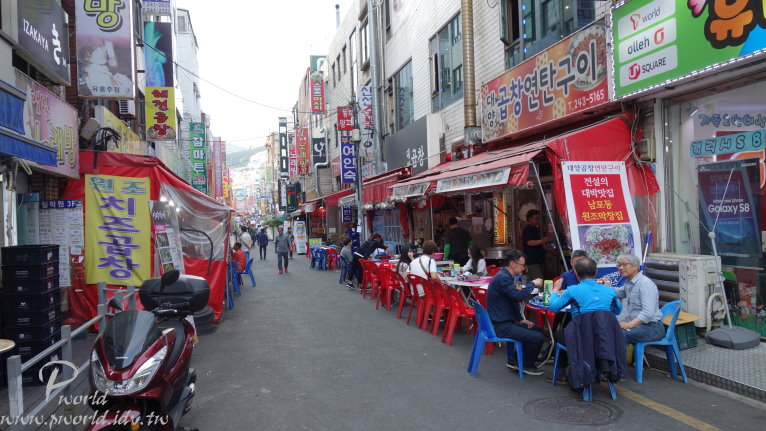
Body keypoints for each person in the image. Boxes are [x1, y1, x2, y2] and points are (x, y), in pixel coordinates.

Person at [547, 258, 622, 384]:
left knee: (560, 334)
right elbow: (618, 310)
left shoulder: (573, 290)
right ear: (596, 272)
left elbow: (554, 307)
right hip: (605, 338)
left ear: (576, 272)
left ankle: (561, 374)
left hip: (581, 337)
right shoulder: (608, 290)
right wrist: (609, 289)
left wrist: (555, 290)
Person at [486, 249, 545, 376]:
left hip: (504, 321)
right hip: (500, 325)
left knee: (538, 330)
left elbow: (513, 299)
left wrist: (520, 319)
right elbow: (518, 296)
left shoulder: (505, 276)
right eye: (522, 265)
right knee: (537, 337)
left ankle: (516, 359)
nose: (523, 268)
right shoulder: (503, 278)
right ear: (512, 264)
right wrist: (532, 284)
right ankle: (526, 365)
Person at [611, 254, 665, 344]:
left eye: (624, 264)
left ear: (635, 267)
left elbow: (648, 313)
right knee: (610, 330)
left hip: (651, 328)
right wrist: (606, 287)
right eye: (619, 265)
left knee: (619, 335)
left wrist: (629, 325)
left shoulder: (645, 283)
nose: (621, 268)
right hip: (639, 325)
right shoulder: (629, 282)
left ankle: (622, 354)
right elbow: (621, 293)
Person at [522, 210, 551, 280]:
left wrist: (551, 250)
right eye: (536, 218)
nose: (538, 220)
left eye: (538, 218)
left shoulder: (535, 229)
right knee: (538, 279)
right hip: (531, 260)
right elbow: (529, 242)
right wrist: (542, 240)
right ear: (529, 219)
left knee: (533, 279)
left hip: (538, 259)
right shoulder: (528, 229)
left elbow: (541, 244)